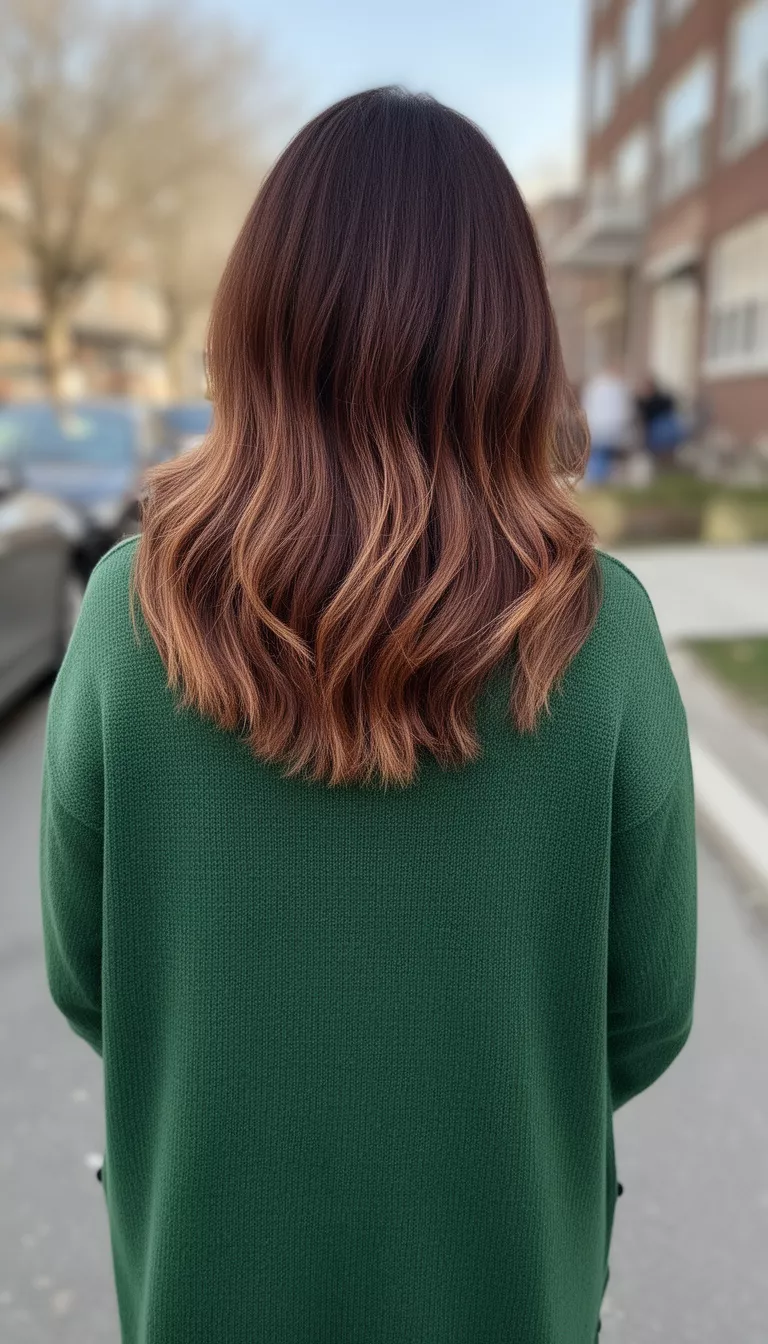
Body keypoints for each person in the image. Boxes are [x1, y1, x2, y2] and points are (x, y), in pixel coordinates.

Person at [40, 89, 696, 1344]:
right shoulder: (598, 631)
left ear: (258, 316)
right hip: (504, 1283)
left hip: (207, 1286)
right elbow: (649, 1008)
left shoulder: (136, 613)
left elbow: (89, 974)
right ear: (513, 337)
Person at [581, 362, 635, 485]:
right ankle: (599, 478)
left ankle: (598, 478)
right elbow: (624, 409)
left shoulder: (595, 385)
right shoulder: (618, 386)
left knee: (601, 454)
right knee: (604, 454)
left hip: (601, 425)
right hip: (608, 425)